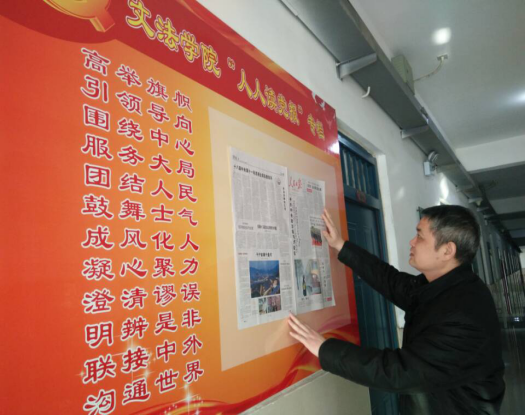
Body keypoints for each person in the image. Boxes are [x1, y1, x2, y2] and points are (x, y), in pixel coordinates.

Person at [288, 206, 505, 414]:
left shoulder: (464, 312)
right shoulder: (444, 287)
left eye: (420, 236)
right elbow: (391, 280)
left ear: (447, 250)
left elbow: (399, 372)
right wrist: (341, 246)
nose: (412, 242)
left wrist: (325, 349)